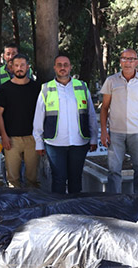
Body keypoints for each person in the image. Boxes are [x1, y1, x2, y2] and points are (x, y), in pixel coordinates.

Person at [33, 55, 99, 194]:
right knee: (58, 178)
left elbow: (91, 115)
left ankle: (74, 210)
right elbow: (38, 118)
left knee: (76, 178)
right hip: (55, 143)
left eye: (66, 64)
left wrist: (93, 138)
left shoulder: (81, 86)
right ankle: (60, 211)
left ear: (70, 67)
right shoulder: (46, 89)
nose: (63, 67)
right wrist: (38, 142)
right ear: (55, 68)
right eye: (59, 65)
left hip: (79, 142)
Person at [100, 49, 138, 193]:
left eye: (131, 59)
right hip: (115, 133)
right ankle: (116, 202)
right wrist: (104, 132)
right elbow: (105, 108)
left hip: (137, 133)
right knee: (113, 170)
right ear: (120, 61)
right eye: (124, 59)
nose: (128, 62)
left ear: (137, 62)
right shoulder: (111, 81)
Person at [0, 53, 40, 188]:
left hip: (32, 138)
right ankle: (15, 207)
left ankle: (33, 206)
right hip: (11, 139)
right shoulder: (5, 89)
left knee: (33, 179)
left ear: (28, 67)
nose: (19, 68)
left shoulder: (37, 88)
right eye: (16, 65)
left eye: (22, 65)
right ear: (11, 68)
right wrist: (3, 136)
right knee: (13, 179)